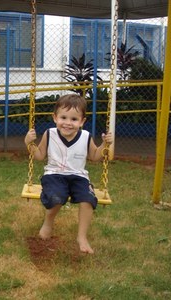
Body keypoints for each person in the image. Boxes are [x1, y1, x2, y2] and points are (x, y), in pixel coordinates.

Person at [24, 94, 113, 254]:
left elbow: (95, 157)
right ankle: (48, 221)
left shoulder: (85, 137)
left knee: (88, 199)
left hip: (78, 176)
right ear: (55, 117)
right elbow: (38, 156)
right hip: (54, 175)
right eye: (63, 117)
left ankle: (82, 237)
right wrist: (28, 143)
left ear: (82, 121)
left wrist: (105, 145)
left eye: (74, 119)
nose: (68, 123)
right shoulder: (50, 134)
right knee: (56, 197)